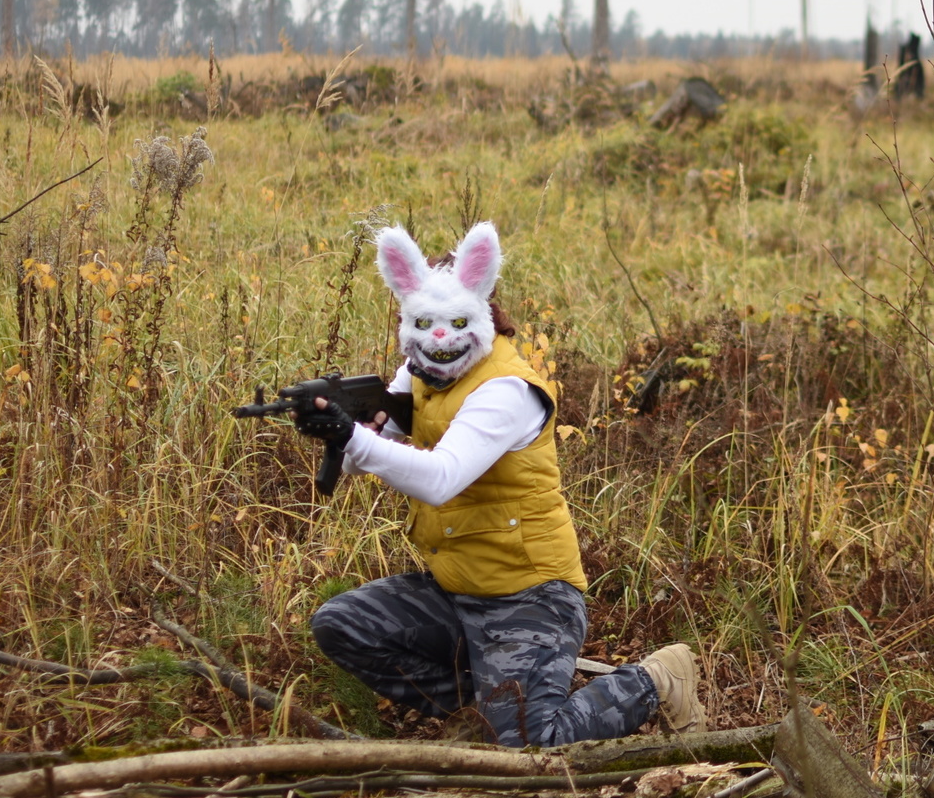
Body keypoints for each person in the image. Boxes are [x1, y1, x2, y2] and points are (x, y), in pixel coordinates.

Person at [297, 220, 703, 747]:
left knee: (532, 746)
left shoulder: (506, 390)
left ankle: (654, 679)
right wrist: (341, 430)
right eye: (424, 324)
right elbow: (367, 454)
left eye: (452, 321)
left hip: (532, 594)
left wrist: (354, 437)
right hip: (459, 589)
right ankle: (492, 706)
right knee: (343, 625)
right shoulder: (421, 371)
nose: (436, 340)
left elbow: (440, 479)